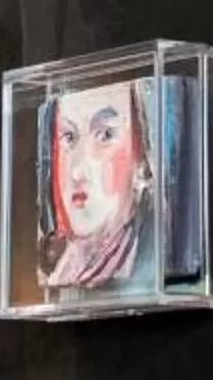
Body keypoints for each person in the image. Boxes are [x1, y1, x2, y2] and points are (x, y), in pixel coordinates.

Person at [41, 82, 149, 291]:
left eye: (105, 135)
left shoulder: (148, 262)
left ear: (141, 156)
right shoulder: (65, 271)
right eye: (69, 137)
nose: (77, 172)